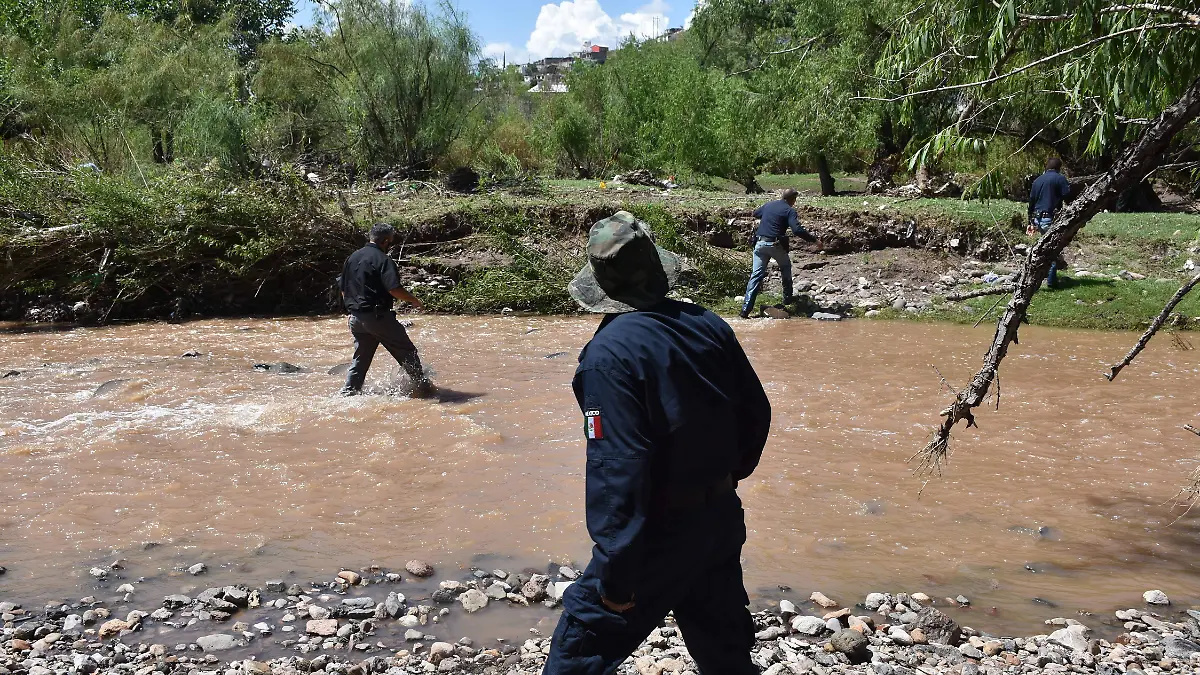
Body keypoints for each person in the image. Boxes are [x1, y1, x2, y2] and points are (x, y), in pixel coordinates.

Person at [546, 211, 772, 675]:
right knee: (726, 654)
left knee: (577, 657)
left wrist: (616, 573)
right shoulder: (707, 324)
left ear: (603, 285)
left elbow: (618, 468)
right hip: (719, 520)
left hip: (658, 535)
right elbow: (756, 414)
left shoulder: (607, 356)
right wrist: (722, 479)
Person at [338, 223, 433, 397]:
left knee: (361, 359)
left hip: (356, 318)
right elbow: (394, 289)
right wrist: (414, 300)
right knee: (407, 352)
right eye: (390, 241)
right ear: (385, 241)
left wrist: (353, 310)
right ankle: (424, 389)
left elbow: (343, 289)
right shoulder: (383, 259)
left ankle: (348, 393)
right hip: (377, 317)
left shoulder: (352, 257)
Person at [740, 188, 819, 319]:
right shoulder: (789, 210)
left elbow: (755, 213)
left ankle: (745, 310)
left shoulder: (769, 205)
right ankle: (787, 300)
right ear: (792, 199)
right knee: (786, 267)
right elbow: (797, 229)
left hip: (759, 244)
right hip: (775, 245)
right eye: (794, 200)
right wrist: (814, 240)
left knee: (755, 276)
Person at [1028, 157, 1072, 288]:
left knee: (1045, 248)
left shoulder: (1037, 180)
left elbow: (1031, 202)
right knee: (1052, 251)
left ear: (1046, 167)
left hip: (1037, 219)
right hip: (1049, 218)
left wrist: (1029, 221)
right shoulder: (1060, 178)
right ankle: (1051, 282)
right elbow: (1067, 196)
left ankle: (1038, 277)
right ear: (1059, 168)